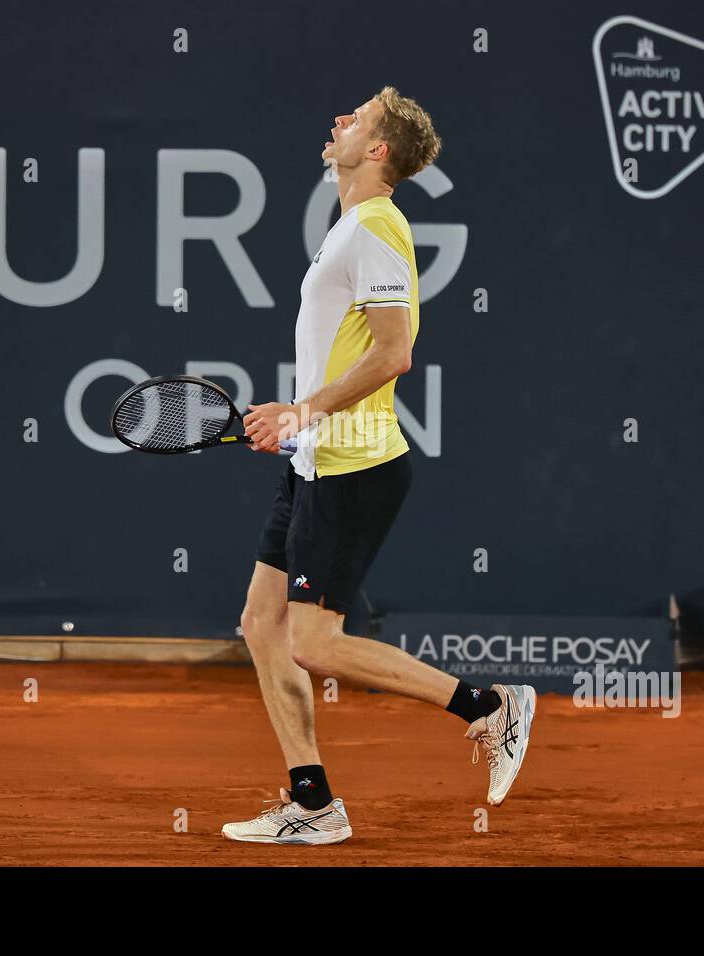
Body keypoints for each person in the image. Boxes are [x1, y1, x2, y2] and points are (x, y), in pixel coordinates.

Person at [225, 88, 535, 845]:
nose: (338, 120)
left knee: (312, 641)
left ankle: (491, 707)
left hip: (354, 466)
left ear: (378, 151)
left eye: (356, 119)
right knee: (262, 626)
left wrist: (305, 411)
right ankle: (313, 805)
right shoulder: (349, 229)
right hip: (316, 464)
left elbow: (395, 353)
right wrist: (300, 424)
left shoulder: (373, 229)